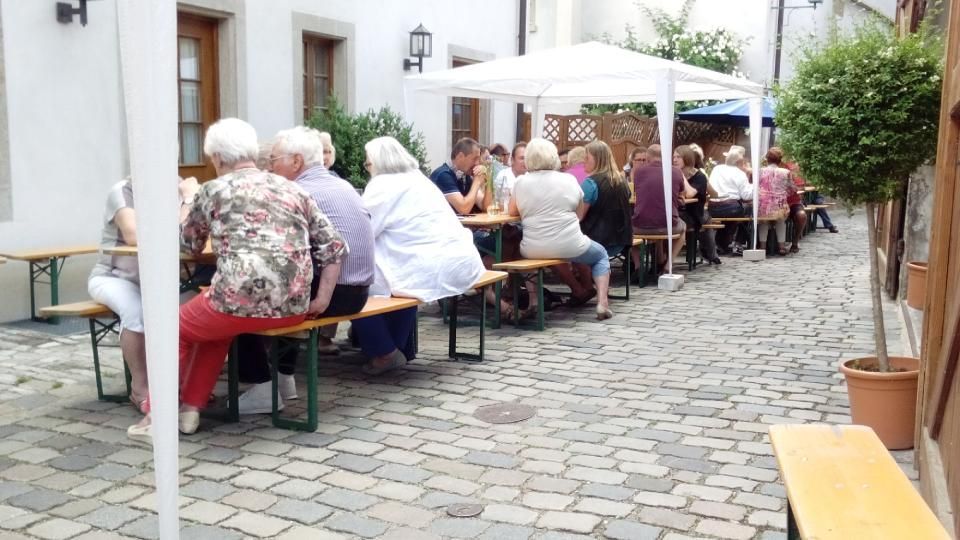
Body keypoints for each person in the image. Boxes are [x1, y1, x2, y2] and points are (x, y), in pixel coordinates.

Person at [126, 118, 348, 443]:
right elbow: (335, 247)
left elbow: (186, 243)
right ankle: (190, 409)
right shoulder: (293, 188)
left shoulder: (213, 190)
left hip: (235, 301)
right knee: (214, 332)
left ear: (217, 158)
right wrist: (323, 299)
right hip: (295, 306)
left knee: (171, 329)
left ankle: (155, 416)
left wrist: (188, 198)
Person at [233, 126, 375, 415]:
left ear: (296, 161)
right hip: (358, 292)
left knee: (237, 302)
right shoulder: (341, 184)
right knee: (286, 284)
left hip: (330, 294)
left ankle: (261, 386)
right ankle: (284, 380)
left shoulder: (295, 192)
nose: (269, 166)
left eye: (274, 159)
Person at [359, 136, 486, 374]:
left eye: (368, 164)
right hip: (456, 258)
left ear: (378, 163)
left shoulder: (383, 185)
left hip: (427, 264)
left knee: (354, 287)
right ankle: (396, 348)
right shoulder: (419, 179)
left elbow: (364, 229)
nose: (368, 169)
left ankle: (386, 352)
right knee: (398, 283)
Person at [508, 138, 614, 320]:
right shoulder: (568, 180)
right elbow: (579, 213)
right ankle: (602, 302)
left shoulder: (521, 182)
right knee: (601, 255)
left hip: (534, 247)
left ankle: (534, 301)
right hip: (570, 244)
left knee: (519, 254)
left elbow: (511, 212)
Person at [87, 177, 149, 414]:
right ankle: (140, 388)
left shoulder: (176, 187)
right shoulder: (123, 191)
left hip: (159, 280)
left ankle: (183, 383)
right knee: (136, 310)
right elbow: (133, 235)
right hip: (113, 277)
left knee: (192, 308)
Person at [575, 140, 632, 297]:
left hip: (598, 240)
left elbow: (579, 217)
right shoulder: (622, 181)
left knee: (570, 247)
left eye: (587, 158)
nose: (583, 161)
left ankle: (586, 288)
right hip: (622, 239)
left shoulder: (590, 183)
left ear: (597, 159)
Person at [632, 145, 697, 270]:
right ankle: (668, 265)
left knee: (627, 230)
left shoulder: (639, 172)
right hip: (668, 225)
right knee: (683, 227)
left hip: (639, 227)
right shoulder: (675, 171)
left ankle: (638, 265)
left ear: (648, 156)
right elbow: (682, 193)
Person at [676, 145, 721, 265]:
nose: (674, 160)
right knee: (707, 219)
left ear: (687, 159)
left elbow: (690, 194)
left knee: (705, 218)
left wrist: (680, 175)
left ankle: (711, 253)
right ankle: (711, 254)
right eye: (673, 157)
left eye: (678, 157)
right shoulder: (672, 174)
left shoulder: (699, 176)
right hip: (678, 211)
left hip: (693, 213)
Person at [708, 145, 753, 254]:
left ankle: (721, 243)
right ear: (738, 162)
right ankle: (739, 242)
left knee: (732, 216)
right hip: (731, 208)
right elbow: (746, 196)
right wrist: (754, 187)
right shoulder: (740, 173)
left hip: (713, 208)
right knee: (749, 210)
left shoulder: (716, 169)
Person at [429, 137, 487, 215]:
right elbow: (463, 209)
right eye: (474, 159)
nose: (477, 163)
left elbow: (485, 206)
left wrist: (489, 179)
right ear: (460, 156)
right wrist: (476, 182)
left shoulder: (465, 176)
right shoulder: (443, 175)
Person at [757, 147, 797, 255]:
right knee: (781, 221)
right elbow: (793, 189)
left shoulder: (760, 171)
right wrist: (783, 193)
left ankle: (762, 247)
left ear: (767, 159)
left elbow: (755, 187)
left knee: (763, 222)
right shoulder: (786, 172)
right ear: (780, 160)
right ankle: (781, 247)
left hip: (763, 206)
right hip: (780, 206)